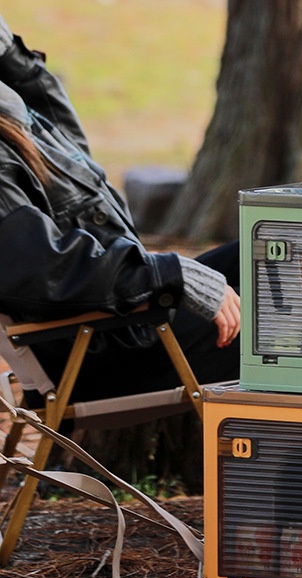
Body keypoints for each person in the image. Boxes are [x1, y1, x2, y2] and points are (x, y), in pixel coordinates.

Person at [0, 16, 241, 403]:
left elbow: (77, 160)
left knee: (269, 259)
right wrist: (170, 273)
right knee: (280, 331)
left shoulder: (11, 113)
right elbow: (45, 272)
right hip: (107, 349)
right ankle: (299, 460)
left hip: (122, 324)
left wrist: (12, 53)